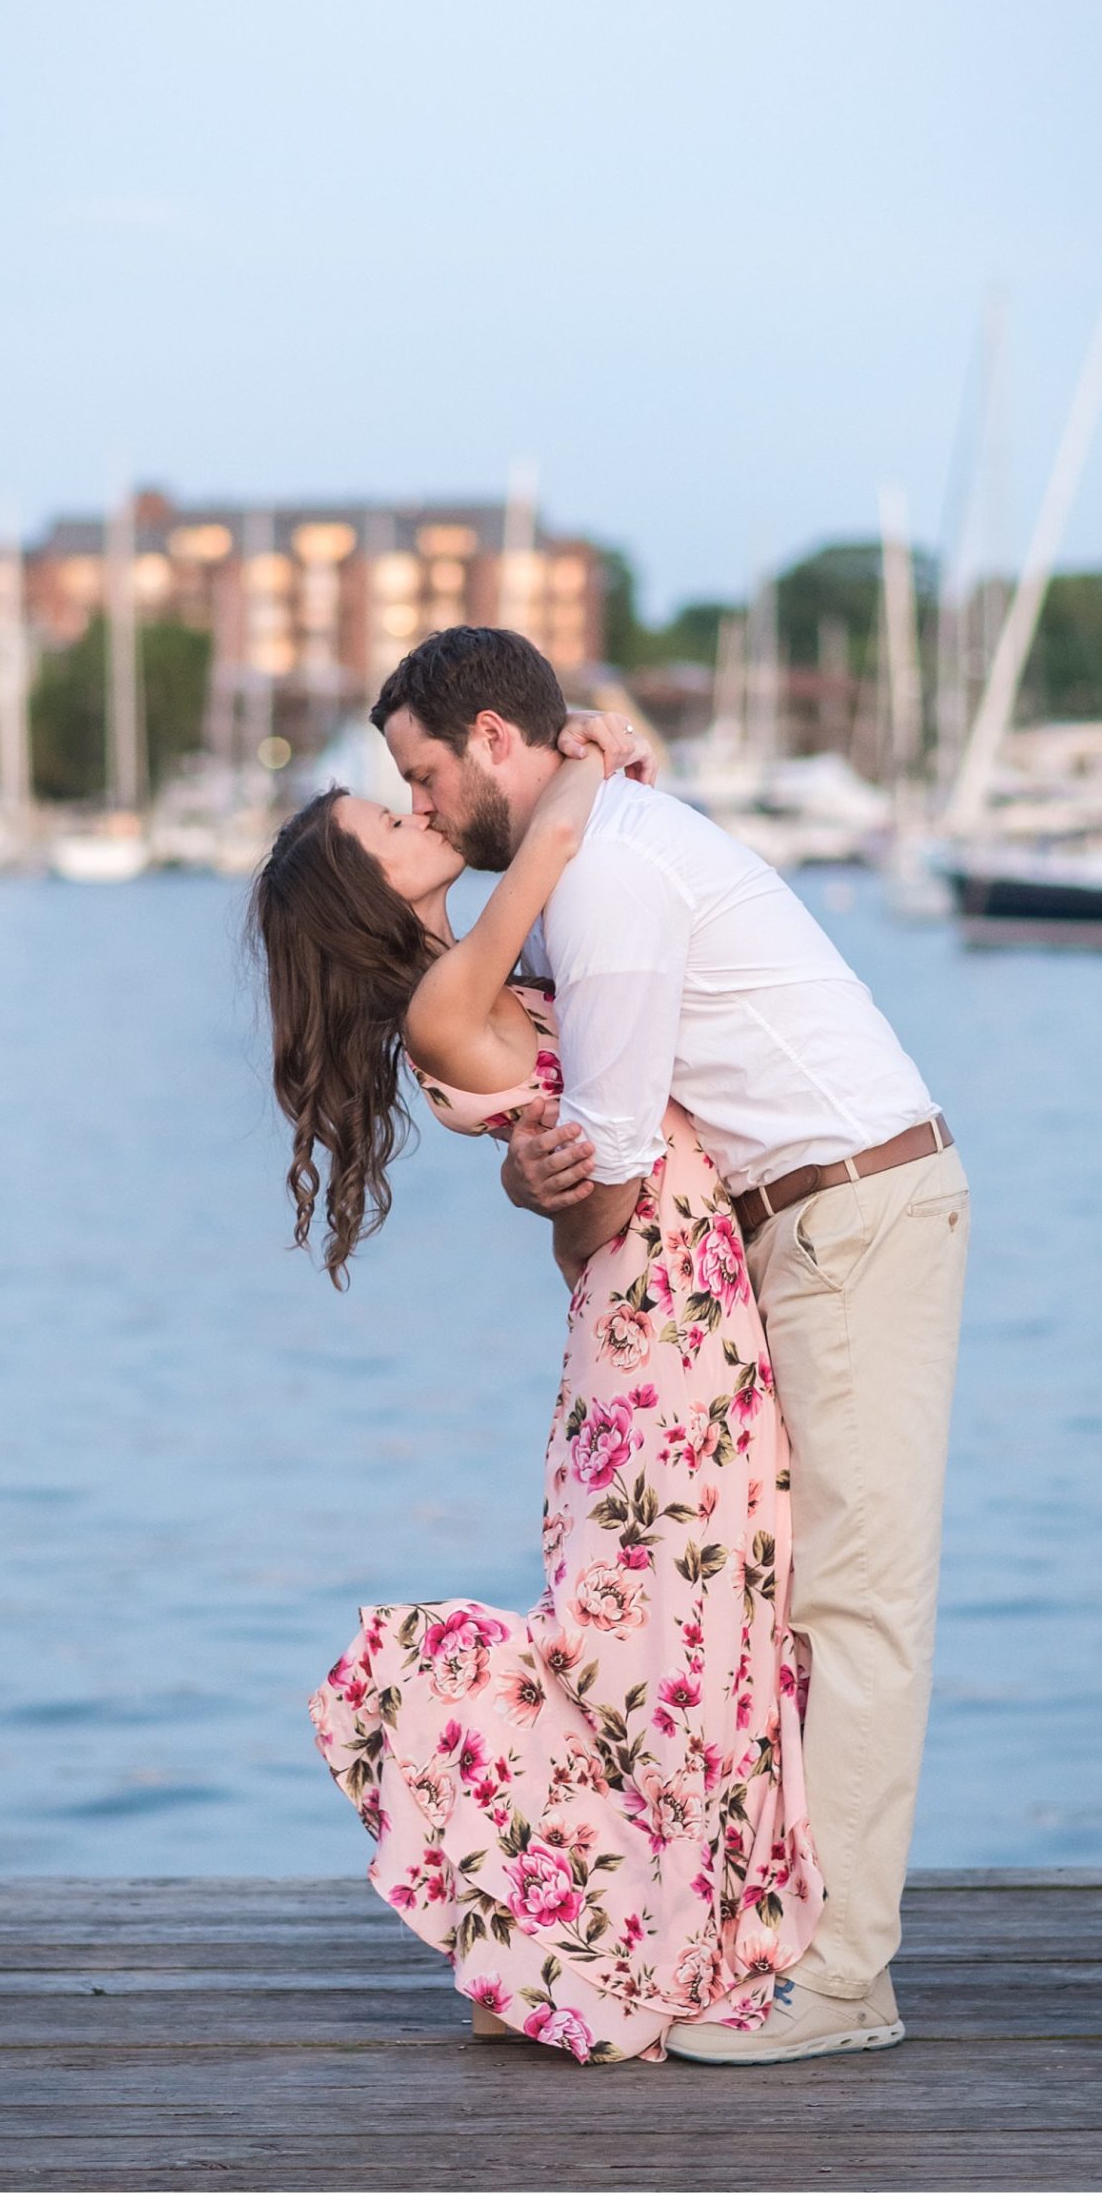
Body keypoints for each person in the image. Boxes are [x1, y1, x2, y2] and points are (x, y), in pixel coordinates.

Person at [371, 625, 970, 2067]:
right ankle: (757, 1935)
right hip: (791, 1227)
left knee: (854, 1610)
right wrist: (545, 1172)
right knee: (783, 1609)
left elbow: (619, 1159)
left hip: (846, 1212)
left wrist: (556, 1194)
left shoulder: (610, 878)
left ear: (493, 743)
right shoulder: (588, 848)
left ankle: (841, 1983)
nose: (426, 805)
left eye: (424, 774)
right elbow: (583, 1137)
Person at [251, 712, 821, 2064]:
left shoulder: (481, 972)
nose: (417, 819)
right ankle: (628, 1941)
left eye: (408, 798)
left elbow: (595, 995)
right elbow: (560, 838)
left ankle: (659, 1926)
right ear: (359, 889)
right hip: (653, 1320)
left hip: (671, 1302)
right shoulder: (446, 999)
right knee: (663, 1630)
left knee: (702, 1623)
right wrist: (597, 748)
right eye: (385, 827)